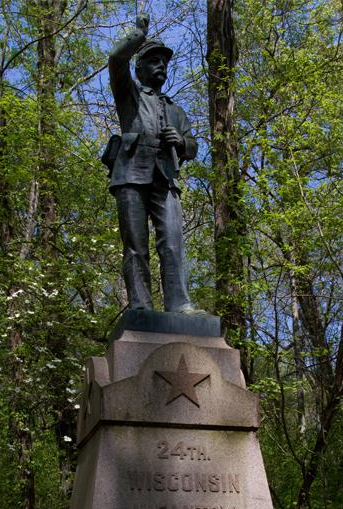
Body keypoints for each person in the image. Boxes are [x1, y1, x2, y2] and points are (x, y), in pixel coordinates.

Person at [106, 13, 205, 314]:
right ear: (139, 67)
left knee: (173, 242)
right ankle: (140, 306)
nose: (161, 65)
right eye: (153, 60)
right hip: (131, 175)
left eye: (164, 61)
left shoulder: (176, 110)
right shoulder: (129, 94)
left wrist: (181, 143)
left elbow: (193, 147)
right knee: (136, 245)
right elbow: (115, 59)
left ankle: (179, 303)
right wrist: (138, 34)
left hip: (165, 177)